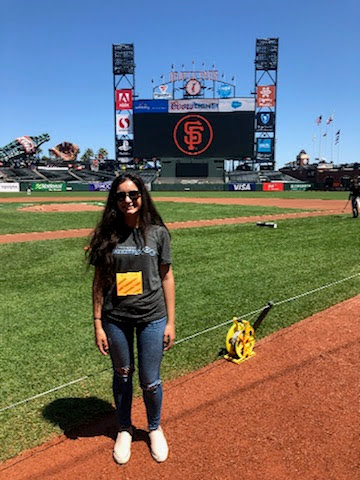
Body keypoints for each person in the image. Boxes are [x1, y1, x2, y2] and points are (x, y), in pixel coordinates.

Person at [87, 173, 175, 465]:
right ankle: (124, 427)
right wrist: (98, 323)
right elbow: (99, 281)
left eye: (133, 194)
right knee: (122, 374)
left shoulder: (158, 233)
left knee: (150, 381)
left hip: (152, 317)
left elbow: (166, 276)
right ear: (114, 200)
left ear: (143, 196)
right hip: (116, 319)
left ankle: (153, 427)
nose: (128, 200)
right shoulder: (106, 234)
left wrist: (171, 321)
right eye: (121, 195)